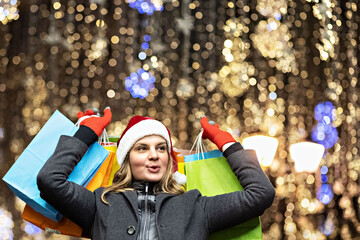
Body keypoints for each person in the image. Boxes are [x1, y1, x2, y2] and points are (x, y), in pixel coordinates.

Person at [37, 107, 275, 240]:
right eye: (142, 148)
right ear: (127, 160)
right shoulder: (101, 204)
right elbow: (50, 180)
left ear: (168, 159)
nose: (154, 155)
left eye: (161, 148)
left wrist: (229, 146)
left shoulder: (195, 207)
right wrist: (86, 135)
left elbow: (260, 194)